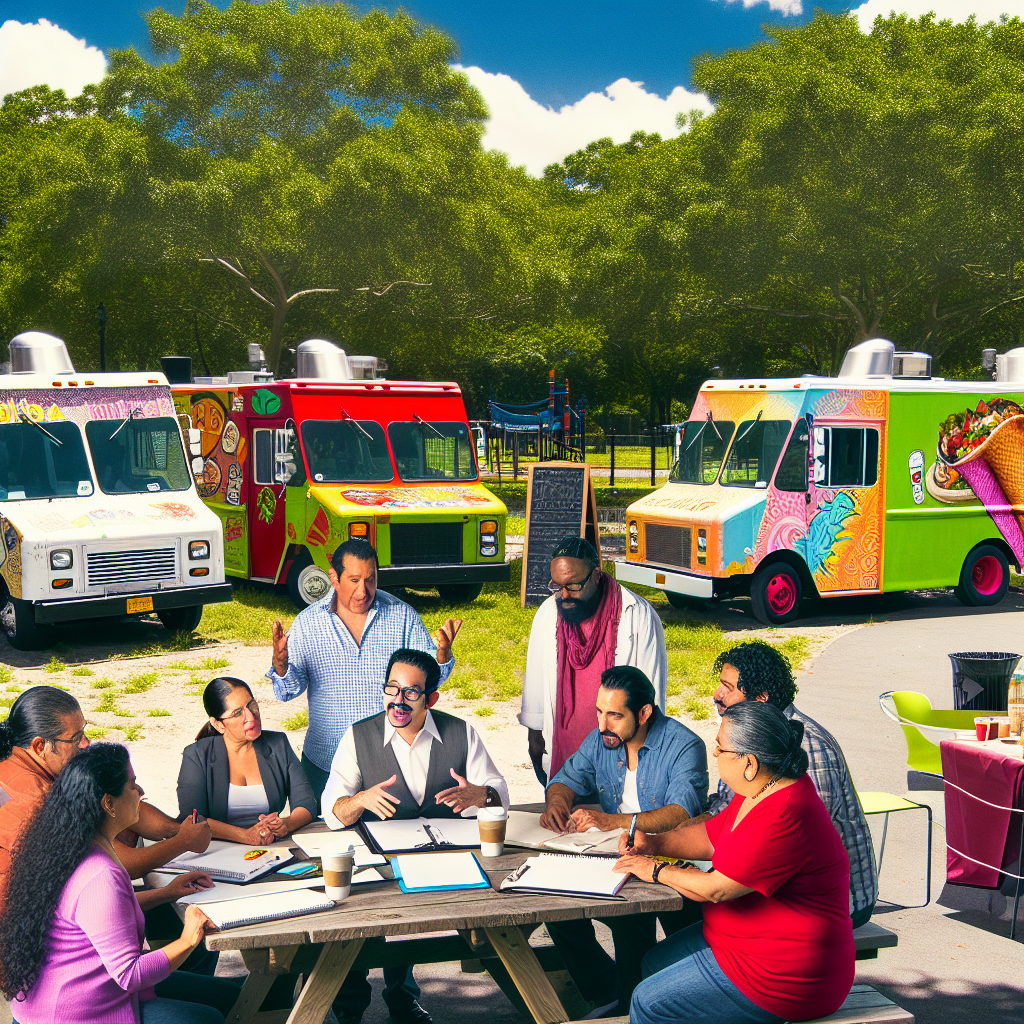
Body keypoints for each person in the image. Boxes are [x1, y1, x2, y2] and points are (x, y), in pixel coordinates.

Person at [616, 701, 855, 1024]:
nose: (714, 754)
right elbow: (711, 837)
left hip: (784, 974)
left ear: (749, 762)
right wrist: (653, 842)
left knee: (649, 1002)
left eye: (720, 748)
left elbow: (715, 889)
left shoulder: (785, 814)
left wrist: (656, 869)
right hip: (740, 942)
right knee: (653, 963)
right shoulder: (759, 790)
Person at [322, 647, 508, 1024]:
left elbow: (499, 792)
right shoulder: (358, 736)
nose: (398, 701)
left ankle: (402, 1000)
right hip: (382, 862)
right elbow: (332, 812)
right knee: (349, 919)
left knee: (499, 917)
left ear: (431, 699)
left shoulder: (460, 732)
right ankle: (347, 1005)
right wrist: (359, 799)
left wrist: (480, 794)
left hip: (449, 860)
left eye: (411, 692)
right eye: (392, 689)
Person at [0, 743, 243, 1024]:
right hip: (72, 1014)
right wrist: (189, 938)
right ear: (108, 804)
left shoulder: (71, 848)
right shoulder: (99, 873)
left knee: (229, 994)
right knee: (207, 1018)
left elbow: (98, 917)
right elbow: (130, 974)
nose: (140, 793)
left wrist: (166, 892)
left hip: (64, 998)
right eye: (132, 785)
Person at [539, 666, 708, 1015]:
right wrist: (558, 803)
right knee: (556, 909)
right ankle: (606, 993)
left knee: (631, 919)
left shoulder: (684, 745)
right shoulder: (602, 740)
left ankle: (633, 1004)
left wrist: (609, 822)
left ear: (644, 713)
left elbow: (680, 813)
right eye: (599, 711)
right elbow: (563, 779)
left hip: (671, 862)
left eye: (615, 715)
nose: (602, 724)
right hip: (616, 858)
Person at [268, 538, 462, 808]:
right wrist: (281, 664)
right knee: (318, 840)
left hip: (388, 763)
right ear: (334, 578)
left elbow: (426, 683)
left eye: (370, 580)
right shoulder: (308, 623)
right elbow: (287, 691)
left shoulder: (402, 616)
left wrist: (441, 657)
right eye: (354, 580)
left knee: (394, 839)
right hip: (325, 760)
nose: (363, 591)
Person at [705, 641, 878, 925]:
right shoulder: (747, 734)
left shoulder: (808, 746)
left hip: (830, 906)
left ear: (760, 698)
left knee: (700, 912)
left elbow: (793, 837)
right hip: (780, 889)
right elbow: (724, 812)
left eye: (728, 687)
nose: (717, 694)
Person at [0, 686, 212, 893]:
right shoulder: (39, 799)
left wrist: (177, 830)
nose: (86, 743)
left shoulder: (22, 767)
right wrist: (183, 842)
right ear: (40, 747)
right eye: (76, 738)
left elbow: (119, 804)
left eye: (84, 732)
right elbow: (116, 862)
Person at [520, 535, 667, 784]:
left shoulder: (637, 615)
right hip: (565, 755)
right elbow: (535, 683)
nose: (564, 594)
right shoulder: (548, 613)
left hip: (620, 755)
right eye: (556, 586)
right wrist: (535, 739)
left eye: (574, 585)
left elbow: (651, 697)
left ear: (596, 576)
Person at [176, 677, 317, 844]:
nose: (251, 717)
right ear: (218, 724)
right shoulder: (196, 755)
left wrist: (286, 823)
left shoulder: (278, 744)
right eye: (237, 713)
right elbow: (192, 817)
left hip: (269, 846)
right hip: (216, 848)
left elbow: (306, 802)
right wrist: (244, 835)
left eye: (252, 705)